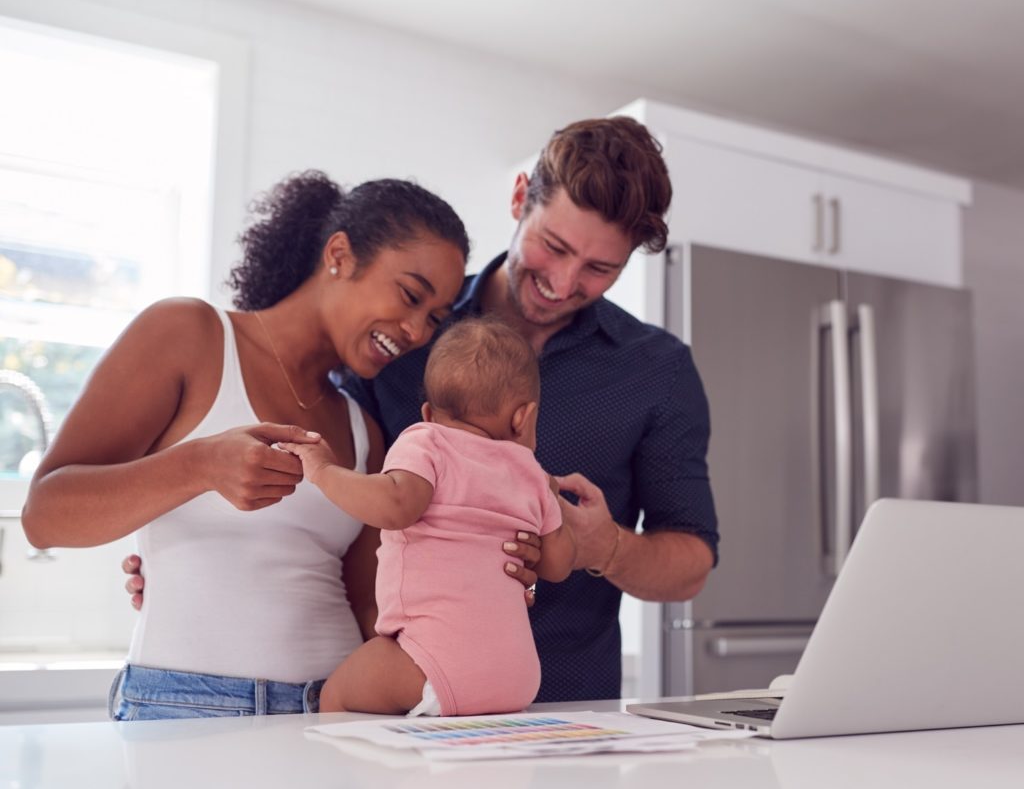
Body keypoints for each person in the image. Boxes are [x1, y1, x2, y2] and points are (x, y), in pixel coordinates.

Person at [20, 170, 490, 720]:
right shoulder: (189, 335)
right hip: (185, 709)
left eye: (435, 317)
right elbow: (44, 516)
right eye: (410, 295)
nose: (416, 329)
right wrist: (200, 465)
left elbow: (370, 605)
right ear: (339, 254)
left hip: (332, 714)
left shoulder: (366, 431)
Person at [342, 116, 720, 702]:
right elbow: (325, 486)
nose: (565, 283)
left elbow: (691, 561)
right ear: (521, 198)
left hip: (569, 713)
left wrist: (604, 547)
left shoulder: (657, 370)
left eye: (600, 269)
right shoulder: (408, 327)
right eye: (554, 246)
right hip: (402, 705)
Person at [281, 317, 576, 716]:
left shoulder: (427, 441)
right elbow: (558, 565)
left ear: (427, 413)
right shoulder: (533, 475)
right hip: (518, 680)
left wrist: (323, 472)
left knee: (337, 696)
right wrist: (550, 506)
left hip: (433, 664)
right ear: (524, 416)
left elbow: (396, 505)